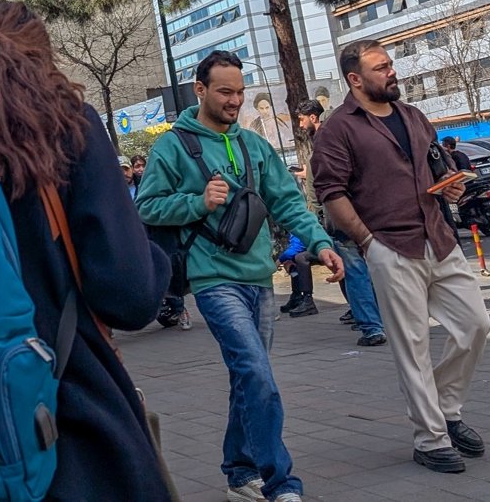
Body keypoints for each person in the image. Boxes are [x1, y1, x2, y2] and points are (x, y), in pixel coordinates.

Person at [0, 0, 172, 501]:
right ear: (39, 54)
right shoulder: (62, 124)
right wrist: (157, 257)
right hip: (60, 411)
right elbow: (129, 294)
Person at [138, 50, 343, 502]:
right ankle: (280, 482)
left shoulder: (254, 145)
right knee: (256, 373)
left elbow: (289, 201)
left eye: (240, 92)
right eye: (225, 92)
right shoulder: (173, 146)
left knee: (248, 378)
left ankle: (238, 472)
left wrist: (322, 243)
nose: (235, 101)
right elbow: (146, 208)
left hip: (259, 277)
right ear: (201, 90)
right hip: (212, 278)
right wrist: (197, 202)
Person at [312, 39, 489, 474]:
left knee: (475, 325)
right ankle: (430, 439)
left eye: (390, 64)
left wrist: (450, 183)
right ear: (355, 79)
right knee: (412, 347)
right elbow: (330, 192)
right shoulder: (338, 129)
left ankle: (446, 410)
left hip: (439, 239)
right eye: (380, 68)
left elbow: (437, 168)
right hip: (389, 245)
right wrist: (367, 241)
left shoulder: (412, 116)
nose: (392, 72)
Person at [296, 100, 386, 348]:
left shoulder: (320, 151)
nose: (301, 126)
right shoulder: (358, 144)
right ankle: (384, 320)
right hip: (368, 216)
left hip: (342, 220)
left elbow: (318, 194)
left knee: (356, 273)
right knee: (377, 268)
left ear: (314, 118)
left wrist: (317, 223)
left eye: (302, 120)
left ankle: (371, 326)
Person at [276, 235, 318, 317]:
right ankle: (297, 296)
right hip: (317, 247)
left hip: (328, 247)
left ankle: (308, 300)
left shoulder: (299, 222)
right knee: (292, 259)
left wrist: (278, 262)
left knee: (300, 257)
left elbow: (298, 246)